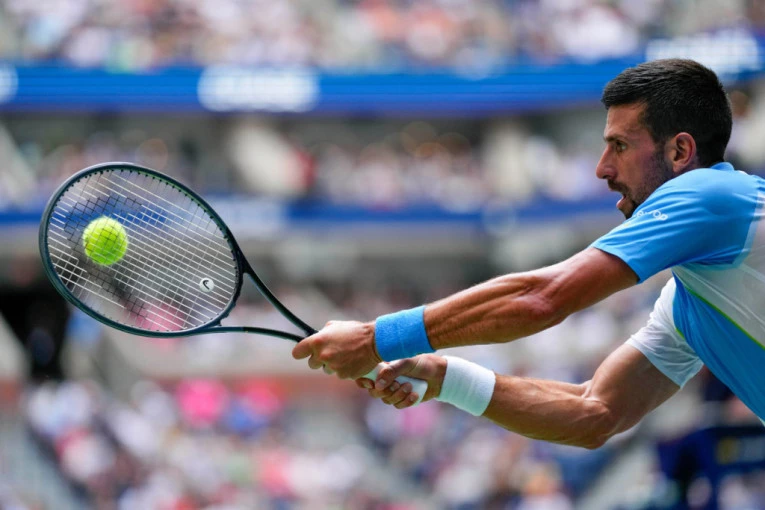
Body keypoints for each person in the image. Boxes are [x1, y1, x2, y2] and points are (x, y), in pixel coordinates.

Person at [292, 59, 765, 448]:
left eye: (619, 146)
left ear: (680, 152)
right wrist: (445, 378)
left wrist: (377, 338)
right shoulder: (690, 306)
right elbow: (594, 412)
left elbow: (543, 298)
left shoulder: (714, 194)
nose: (602, 169)